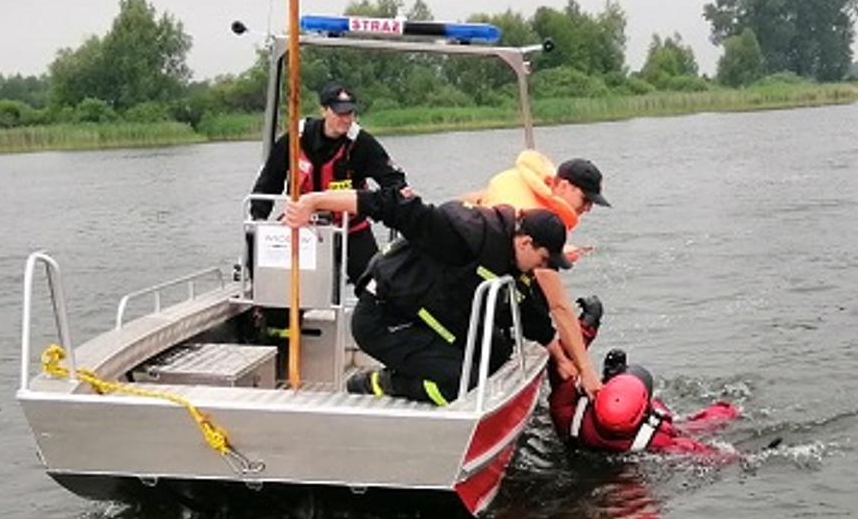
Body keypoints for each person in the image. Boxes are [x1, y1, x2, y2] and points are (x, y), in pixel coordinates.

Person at [282, 186, 568, 406]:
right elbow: (390, 205)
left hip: (423, 315)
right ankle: (380, 383)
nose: (542, 268)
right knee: (461, 384)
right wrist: (313, 202)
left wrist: (561, 358)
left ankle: (415, 368)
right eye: (543, 260)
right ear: (526, 242)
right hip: (382, 320)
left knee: (497, 351)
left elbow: (528, 311)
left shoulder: (512, 260)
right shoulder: (463, 234)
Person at [465, 150, 611, 396]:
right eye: (585, 200)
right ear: (563, 185)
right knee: (536, 300)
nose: (588, 209)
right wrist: (587, 372)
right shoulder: (531, 214)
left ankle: (552, 351)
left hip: (480, 261)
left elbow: (474, 199)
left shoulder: (522, 185)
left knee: (532, 292)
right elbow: (560, 306)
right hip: (469, 282)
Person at [249, 82, 407, 284]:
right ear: (324, 110)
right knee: (282, 281)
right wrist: (257, 219)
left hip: (350, 227)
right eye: (339, 113)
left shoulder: (361, 143)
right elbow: (269, 181)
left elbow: (393, 180)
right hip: (304, 227)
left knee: (375, 284)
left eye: (350, 113)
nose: (346, 119)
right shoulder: (295, 139)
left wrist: (395, 204)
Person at [547, 297, 740, 456]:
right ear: (643, 412)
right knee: (696, 423)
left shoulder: (567, 415)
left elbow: (562, 361)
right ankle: (730, 409)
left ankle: (614, 374)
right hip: (640, 444)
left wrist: (587, 323)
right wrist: (749, 458)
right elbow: (706, 454)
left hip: (590, 447)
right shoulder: (659, 439)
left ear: (598, 400)